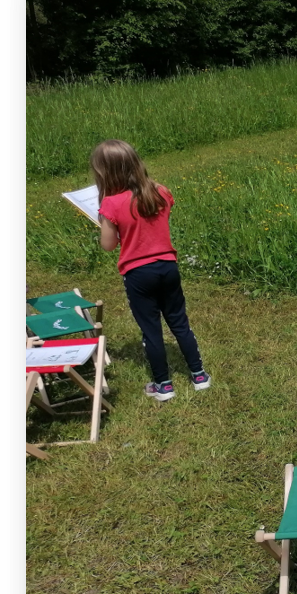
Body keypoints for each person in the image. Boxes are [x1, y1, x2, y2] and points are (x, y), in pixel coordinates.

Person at [92, 139, 210, 402]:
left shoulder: (110, 204)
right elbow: (156, 218)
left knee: (151, 329)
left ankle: (163, 385)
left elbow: (108, 246)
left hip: (138, 274)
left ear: (104, 174)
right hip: (168, 267)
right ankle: (199, 375)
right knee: (179, 323)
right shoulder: (161, 191)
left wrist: (104, 220)